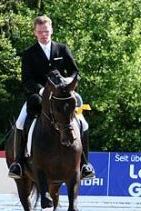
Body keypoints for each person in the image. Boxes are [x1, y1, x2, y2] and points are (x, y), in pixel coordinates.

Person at [8, 15, 95, 180]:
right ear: (35, 32)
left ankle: (84, 164)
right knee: (20, 121)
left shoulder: (62, 49)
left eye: (46, 31)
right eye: (40, 32)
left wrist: (68, 83)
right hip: (38, 96)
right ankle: (18, 163)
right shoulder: (29, 53)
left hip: (63, 95)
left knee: (83, 123)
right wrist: (41, 91)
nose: (44, 34)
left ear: (51, 30)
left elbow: (75, 72)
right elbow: (26, 79)